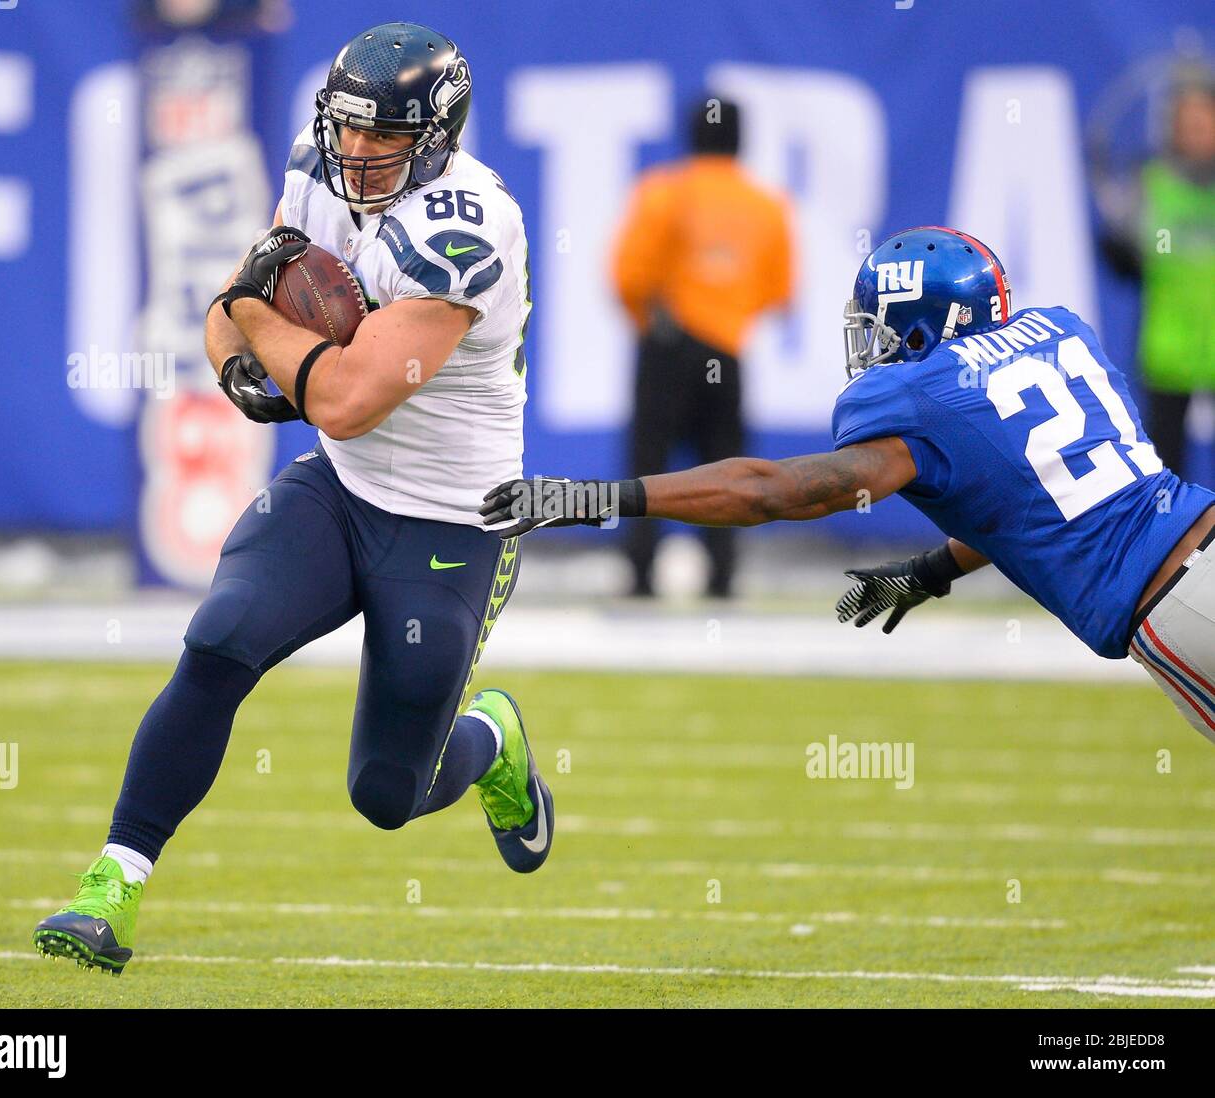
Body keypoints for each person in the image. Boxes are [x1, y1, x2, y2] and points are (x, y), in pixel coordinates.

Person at [33, 22, 552, 976]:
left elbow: (347, 398)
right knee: (221, 635)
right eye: (346, 128)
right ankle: (112, 883)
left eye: (382, 135)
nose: (355, 152)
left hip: (452, 518)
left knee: (389, 793)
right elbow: (228, 306)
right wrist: (254, 348)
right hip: (339, 492)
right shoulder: (316, 166)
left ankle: (494, 738)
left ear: (437, 137)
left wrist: (268, 335)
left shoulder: (471, 230)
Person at [483, 226, 1215, 743]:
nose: (873, 344)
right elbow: (1047, 496)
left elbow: (776, 490)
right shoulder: (1059, 330)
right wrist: (931, 569)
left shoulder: (924, 397)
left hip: (1174, 605)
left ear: (926, 329)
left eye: (882, 327)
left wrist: (601, 498)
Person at [610, 96, 796, 597]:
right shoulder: (768, 204)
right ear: (741, 139)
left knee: (648, 464)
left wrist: (656, 322)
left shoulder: (662, 192)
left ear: (690, 134)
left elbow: (627, 276)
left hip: (666, 343)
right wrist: (728, 313)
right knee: (726, 467)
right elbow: (780, 291)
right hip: (726, 350)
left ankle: (640, 576)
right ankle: (722, 578)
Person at [1098, 77, 1215, 481]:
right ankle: (1177, 544)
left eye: (1203, 121)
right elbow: (1126, 261)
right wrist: (1117, 246)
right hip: (1168, 349)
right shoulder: (1152, 184)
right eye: (1186, 123)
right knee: (1167, 469)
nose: (1195, 131)